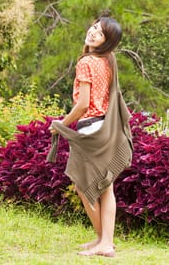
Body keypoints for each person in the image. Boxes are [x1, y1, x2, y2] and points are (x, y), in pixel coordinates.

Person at [48, 16, 133, 258]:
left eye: (101, 33)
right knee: (105, 188)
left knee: (85, 187)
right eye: (94, 27)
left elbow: (83, 104)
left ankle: (105, 242)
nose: (93, 33)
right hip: (107, 128)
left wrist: (61, 125)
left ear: (108, 41)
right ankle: (102, 240)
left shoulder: (86, 62)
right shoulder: (109, 60)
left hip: (90, 129)